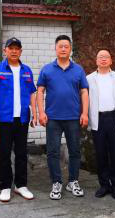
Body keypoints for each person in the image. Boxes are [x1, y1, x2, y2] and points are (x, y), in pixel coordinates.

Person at [0, 37, 37, 203]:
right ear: (5, 50)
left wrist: (34, 114)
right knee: (5, 153)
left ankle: (21, 185)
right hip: (5, 118)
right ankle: (5, 186)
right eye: (11, 48)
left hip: (22, 118)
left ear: (21, 51)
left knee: (22, 153)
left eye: (17, 48)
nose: (14, 51)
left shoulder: (27, 70)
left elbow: (32, 93)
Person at [37, 35, 89, 200]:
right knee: (52, 152)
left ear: (70, 49)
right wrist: (41, 112)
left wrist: (84, 113)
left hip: (73, 117)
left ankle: (73, 181)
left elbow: (84, 92)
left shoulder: (78, 70)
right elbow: (40, 91)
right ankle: (56, 182)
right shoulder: (47, 69)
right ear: (55, 48)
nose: (63, 49)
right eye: (60, 46)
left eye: (66, 46)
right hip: (53, 118)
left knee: (74, 151)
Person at [86, 49, 115, 200]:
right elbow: (85, 99)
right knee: (101, 154)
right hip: (97, 119)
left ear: (111, 60)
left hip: (113, 119)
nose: (103, 59)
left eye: (106, 57)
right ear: (96, 60)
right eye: (100, 57)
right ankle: (104, 185)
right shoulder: (89, 79)